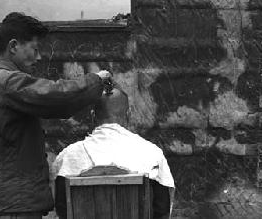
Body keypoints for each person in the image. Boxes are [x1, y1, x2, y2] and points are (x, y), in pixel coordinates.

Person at [0, 12, 112, 219]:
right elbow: (57, 97)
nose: (38, 57)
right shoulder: (9, 83)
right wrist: (96, 80)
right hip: (15, 209)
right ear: (14, 46)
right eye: (34, 50)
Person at [52, 85, 175, 219]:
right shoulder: (151, 153)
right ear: (129, 115)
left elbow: (62, 209)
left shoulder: (68, 157)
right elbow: (162, 209)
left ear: (93, 116)